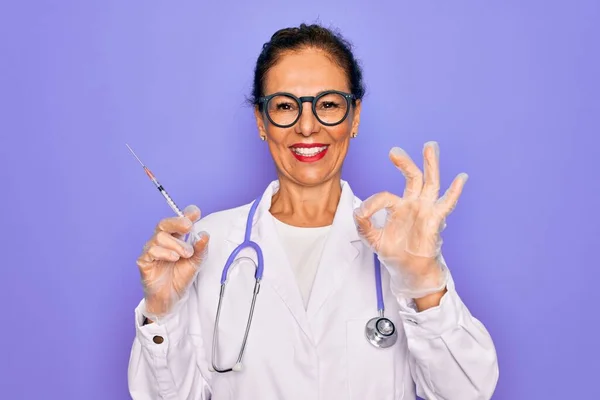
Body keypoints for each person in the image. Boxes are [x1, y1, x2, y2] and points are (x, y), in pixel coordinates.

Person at [127, 23, 499, 400]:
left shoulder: (400, 240)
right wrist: (162, 312)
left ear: (354, 118)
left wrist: (424, 285)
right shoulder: (209, 244)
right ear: (261, 121)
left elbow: (468, 392)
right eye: (286, 106)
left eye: (329, 104)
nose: (308, 126)